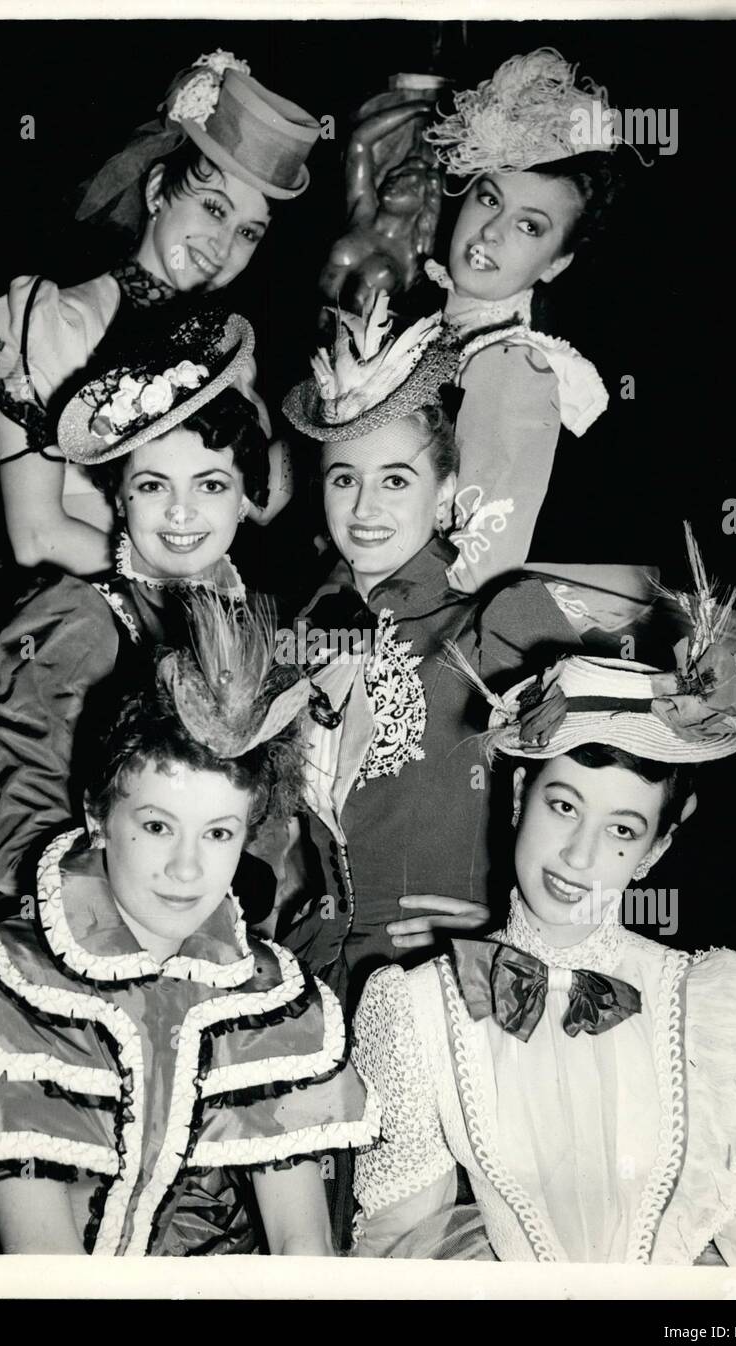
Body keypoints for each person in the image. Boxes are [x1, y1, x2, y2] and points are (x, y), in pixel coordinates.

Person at [0, 598, 379, 1256]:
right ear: (100, 817)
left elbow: (302, 1244)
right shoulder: (10, 996)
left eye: (219, 833)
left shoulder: (268, 1003)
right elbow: (46, 1264)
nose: (187, 869)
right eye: (158, 826)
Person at [351, 547, 736, 1264]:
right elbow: (396, 1249)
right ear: (514, 799)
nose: (578, 855)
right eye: (563, 805)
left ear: (655, 850)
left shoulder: (719, 1011)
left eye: (622, 829)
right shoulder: (415, 1010)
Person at [279, 293, 588, 1012]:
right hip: (299, 997)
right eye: (344, 479)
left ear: (445, 491)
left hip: (447, 998)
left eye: (396, 480)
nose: (366, 508)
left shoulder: (501, 631)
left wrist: (514, 920)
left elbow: (598, 810)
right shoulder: (283, 641)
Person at [0, 50, 318, 574]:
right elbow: (35, 535)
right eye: (213, 207)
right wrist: (184, 586)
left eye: (249, 232)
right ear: (158, 188)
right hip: (69, 612)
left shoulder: (225, 349)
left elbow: (257, 504)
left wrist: (333, 417)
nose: (223, 244)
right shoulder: (48, 320)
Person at [0, 306, 276, 899]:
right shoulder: (77, 619)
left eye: (211, 485)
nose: (180, 512)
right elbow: (20, 847)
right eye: (152, 485)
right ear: (119, 497)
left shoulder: (253, 627)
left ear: (246, 499)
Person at [420, 48, 625, 593]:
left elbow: (477, 569)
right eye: (490, 199)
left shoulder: (515, 367)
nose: (491, 232)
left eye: (529, 227)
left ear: (558, 262)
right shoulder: (429, 330)